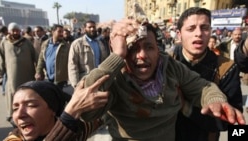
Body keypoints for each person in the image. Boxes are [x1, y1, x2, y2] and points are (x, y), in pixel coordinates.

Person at [78, 18, 245, 141]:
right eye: (132, 49)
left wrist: (214, 98)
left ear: (158, 50)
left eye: (149, 47)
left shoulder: (171, 67)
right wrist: (117, 56)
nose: (142, 55)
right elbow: (86, 110)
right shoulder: (116, 76)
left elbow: (201, 86)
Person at [171, 7, 243, 141]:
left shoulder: (227, 68)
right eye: (191, 28)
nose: (198, 33)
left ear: (210, 32)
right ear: (179, 34)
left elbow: (230, 121)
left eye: (204, 28)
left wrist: (187, 108)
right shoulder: (166, 63)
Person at [3, 75, 110, 141]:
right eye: (15, 108)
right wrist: (70, 114)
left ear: (53, 110)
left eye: (31, 105)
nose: (20, 114)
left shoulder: (77, 131)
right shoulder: (13, 139)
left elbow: (102, 117)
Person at [0, 22, 38, 125]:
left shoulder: (27, 42)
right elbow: (1, 58)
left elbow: (36, 56)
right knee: (13, 93)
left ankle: (28, 114)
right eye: (13, 30)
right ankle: (12, 115)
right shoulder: (5, 42)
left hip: (28, 74)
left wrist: (39, 70)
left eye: (17, 30)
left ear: (20, 31)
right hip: (12, 76)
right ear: (9, 31)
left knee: (27, 94)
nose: (15, 32)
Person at [68, 20, 109, 88]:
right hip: (85, 82)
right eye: (89, 27)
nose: (92, 29)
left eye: (93, 27)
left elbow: (105, 60)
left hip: (100, 80)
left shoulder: (100, 43)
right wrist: (75, 84)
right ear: (84, 29)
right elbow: (72, 65)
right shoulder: (77, 44)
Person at [35, 24, 69, 90]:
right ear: (53, 32)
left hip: (60, 79)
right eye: (59, 31)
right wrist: (38, 71)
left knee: (56, 96)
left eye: (62, 32)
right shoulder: (45, 44)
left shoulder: (66, 46)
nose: (62, 34)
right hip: (48, 77)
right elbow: (41, 59)